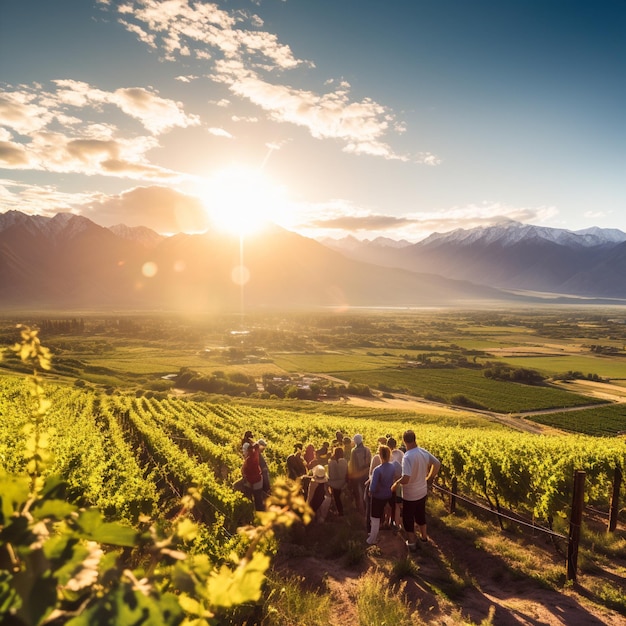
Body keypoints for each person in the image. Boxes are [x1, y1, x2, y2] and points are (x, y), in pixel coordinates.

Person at [392, 430, 440, 550]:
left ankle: (412, 543)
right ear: (415, 439)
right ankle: (424, 538)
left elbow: (406, 479)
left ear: (404, 441)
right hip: (422, 491)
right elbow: (437, 464)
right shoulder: (423, 451)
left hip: (410, 495)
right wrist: (429, 478)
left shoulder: (407, 457)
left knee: (408, 519)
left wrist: (396, 483)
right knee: (420, 515)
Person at [367, 445, 396, 545]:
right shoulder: (393, 467)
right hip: (388, 494)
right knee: (382, 515)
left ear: (380, 455)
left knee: (375, 518)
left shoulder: (377, 470)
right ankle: (374, 535)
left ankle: (372, 539)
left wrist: (370, 491)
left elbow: (373, 487)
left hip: (378, 496)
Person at [348, 433, 371, 515]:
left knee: (358, 492)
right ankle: (367, 508)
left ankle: (361, 511)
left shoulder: (353, 451)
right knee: (366, 491)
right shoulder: (367, 450)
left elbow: (352, 464)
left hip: (357, 475)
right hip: (366, 474)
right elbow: (369, 463)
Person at [242, 442, 266, 511]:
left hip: (254, 480)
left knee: (256, 499)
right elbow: (257, 446)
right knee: (258, 499)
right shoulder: (254, 454)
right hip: (257, 479)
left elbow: (245, 470)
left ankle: (253, 511)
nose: (243, 452)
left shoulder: (249, 460)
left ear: (247, 451)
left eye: (244, 451)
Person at [327, 446, 348, 516]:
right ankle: (340, 510)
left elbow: (330, 475)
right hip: (343, 482)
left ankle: (339, 511)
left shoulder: (331, 463)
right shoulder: (344, 462)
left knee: (336, 497)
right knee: (338, 496)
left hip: (333, 483)